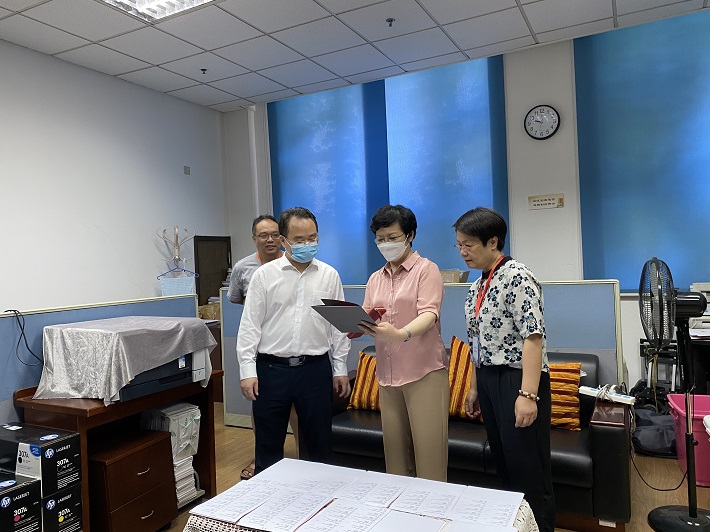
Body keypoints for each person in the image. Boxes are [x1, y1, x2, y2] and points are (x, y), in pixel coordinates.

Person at [454, 207, 555, 532]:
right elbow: (476, 342)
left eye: (469, 244)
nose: (463, 251)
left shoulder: (518, 276)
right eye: (459, 244)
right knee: (505, 464)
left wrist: (528, 395)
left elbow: (533, 337)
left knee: (528, 467)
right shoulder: (477, 285)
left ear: (493, 241)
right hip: (487, 378)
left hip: (517, 379)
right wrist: (474, 387)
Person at [237, 207, 351, 474]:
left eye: (312, 238)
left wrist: (340, 368)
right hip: (271, 370)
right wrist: (247, 371)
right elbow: (250, 326)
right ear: (283, 241)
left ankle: (320, 495)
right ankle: (270, 495)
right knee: (268, 444)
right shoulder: (264, 275)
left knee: (319, 443)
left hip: (315, 369)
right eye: (299, 240)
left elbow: (339, 327)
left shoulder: (329, 275)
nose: (307, 244)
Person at [357, 205, 449, 482]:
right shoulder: (375, 278)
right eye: (380, 239)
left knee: (430, 460)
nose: (386, 243)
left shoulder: (426, 270)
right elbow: (369, 315)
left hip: (424, 372)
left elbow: (430, 314)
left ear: (409, 236)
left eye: (393, 237)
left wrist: (401, 334)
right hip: (388, 375)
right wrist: (355, 326)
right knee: (395, 463)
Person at [228, 214, 298, 480]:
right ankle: (261, 459)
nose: (270, 239)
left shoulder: (294, 263)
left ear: (282, 237)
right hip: (259, 349)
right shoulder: (243, 267)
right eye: (263, 235)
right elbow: (236, 299)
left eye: (274, 234)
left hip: (290, 346)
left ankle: (302, 457)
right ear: (254, 239)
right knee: (262, 407)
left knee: (296, 407)